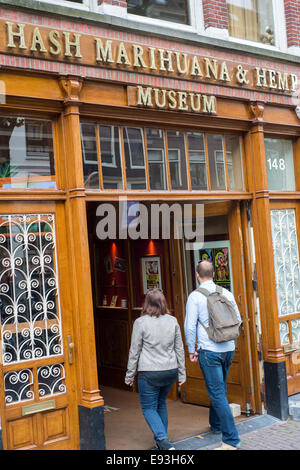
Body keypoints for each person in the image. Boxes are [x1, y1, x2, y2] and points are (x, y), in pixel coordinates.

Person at [184, 260, 241, 450]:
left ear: (197, 275)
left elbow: (190, 326)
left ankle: (231, 440)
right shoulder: (226, 293)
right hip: (229, 349)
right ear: (214, 274)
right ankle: (216, 425)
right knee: (219, 389)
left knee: (217, 392)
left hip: (209, 350)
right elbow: (238, 320)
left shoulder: (195, 297)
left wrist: (191, 349)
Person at [125, 288, 186, 451]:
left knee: (148, 408)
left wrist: (129, 375)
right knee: (160, 404)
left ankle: (163, 441)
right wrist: (182, 373)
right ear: (163, 303)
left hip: (149, 372)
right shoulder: (172, 320)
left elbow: (134, 350)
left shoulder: (140, 323)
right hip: (170, 370)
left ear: (147, 304)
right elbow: (179, 348)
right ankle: (162, 442)